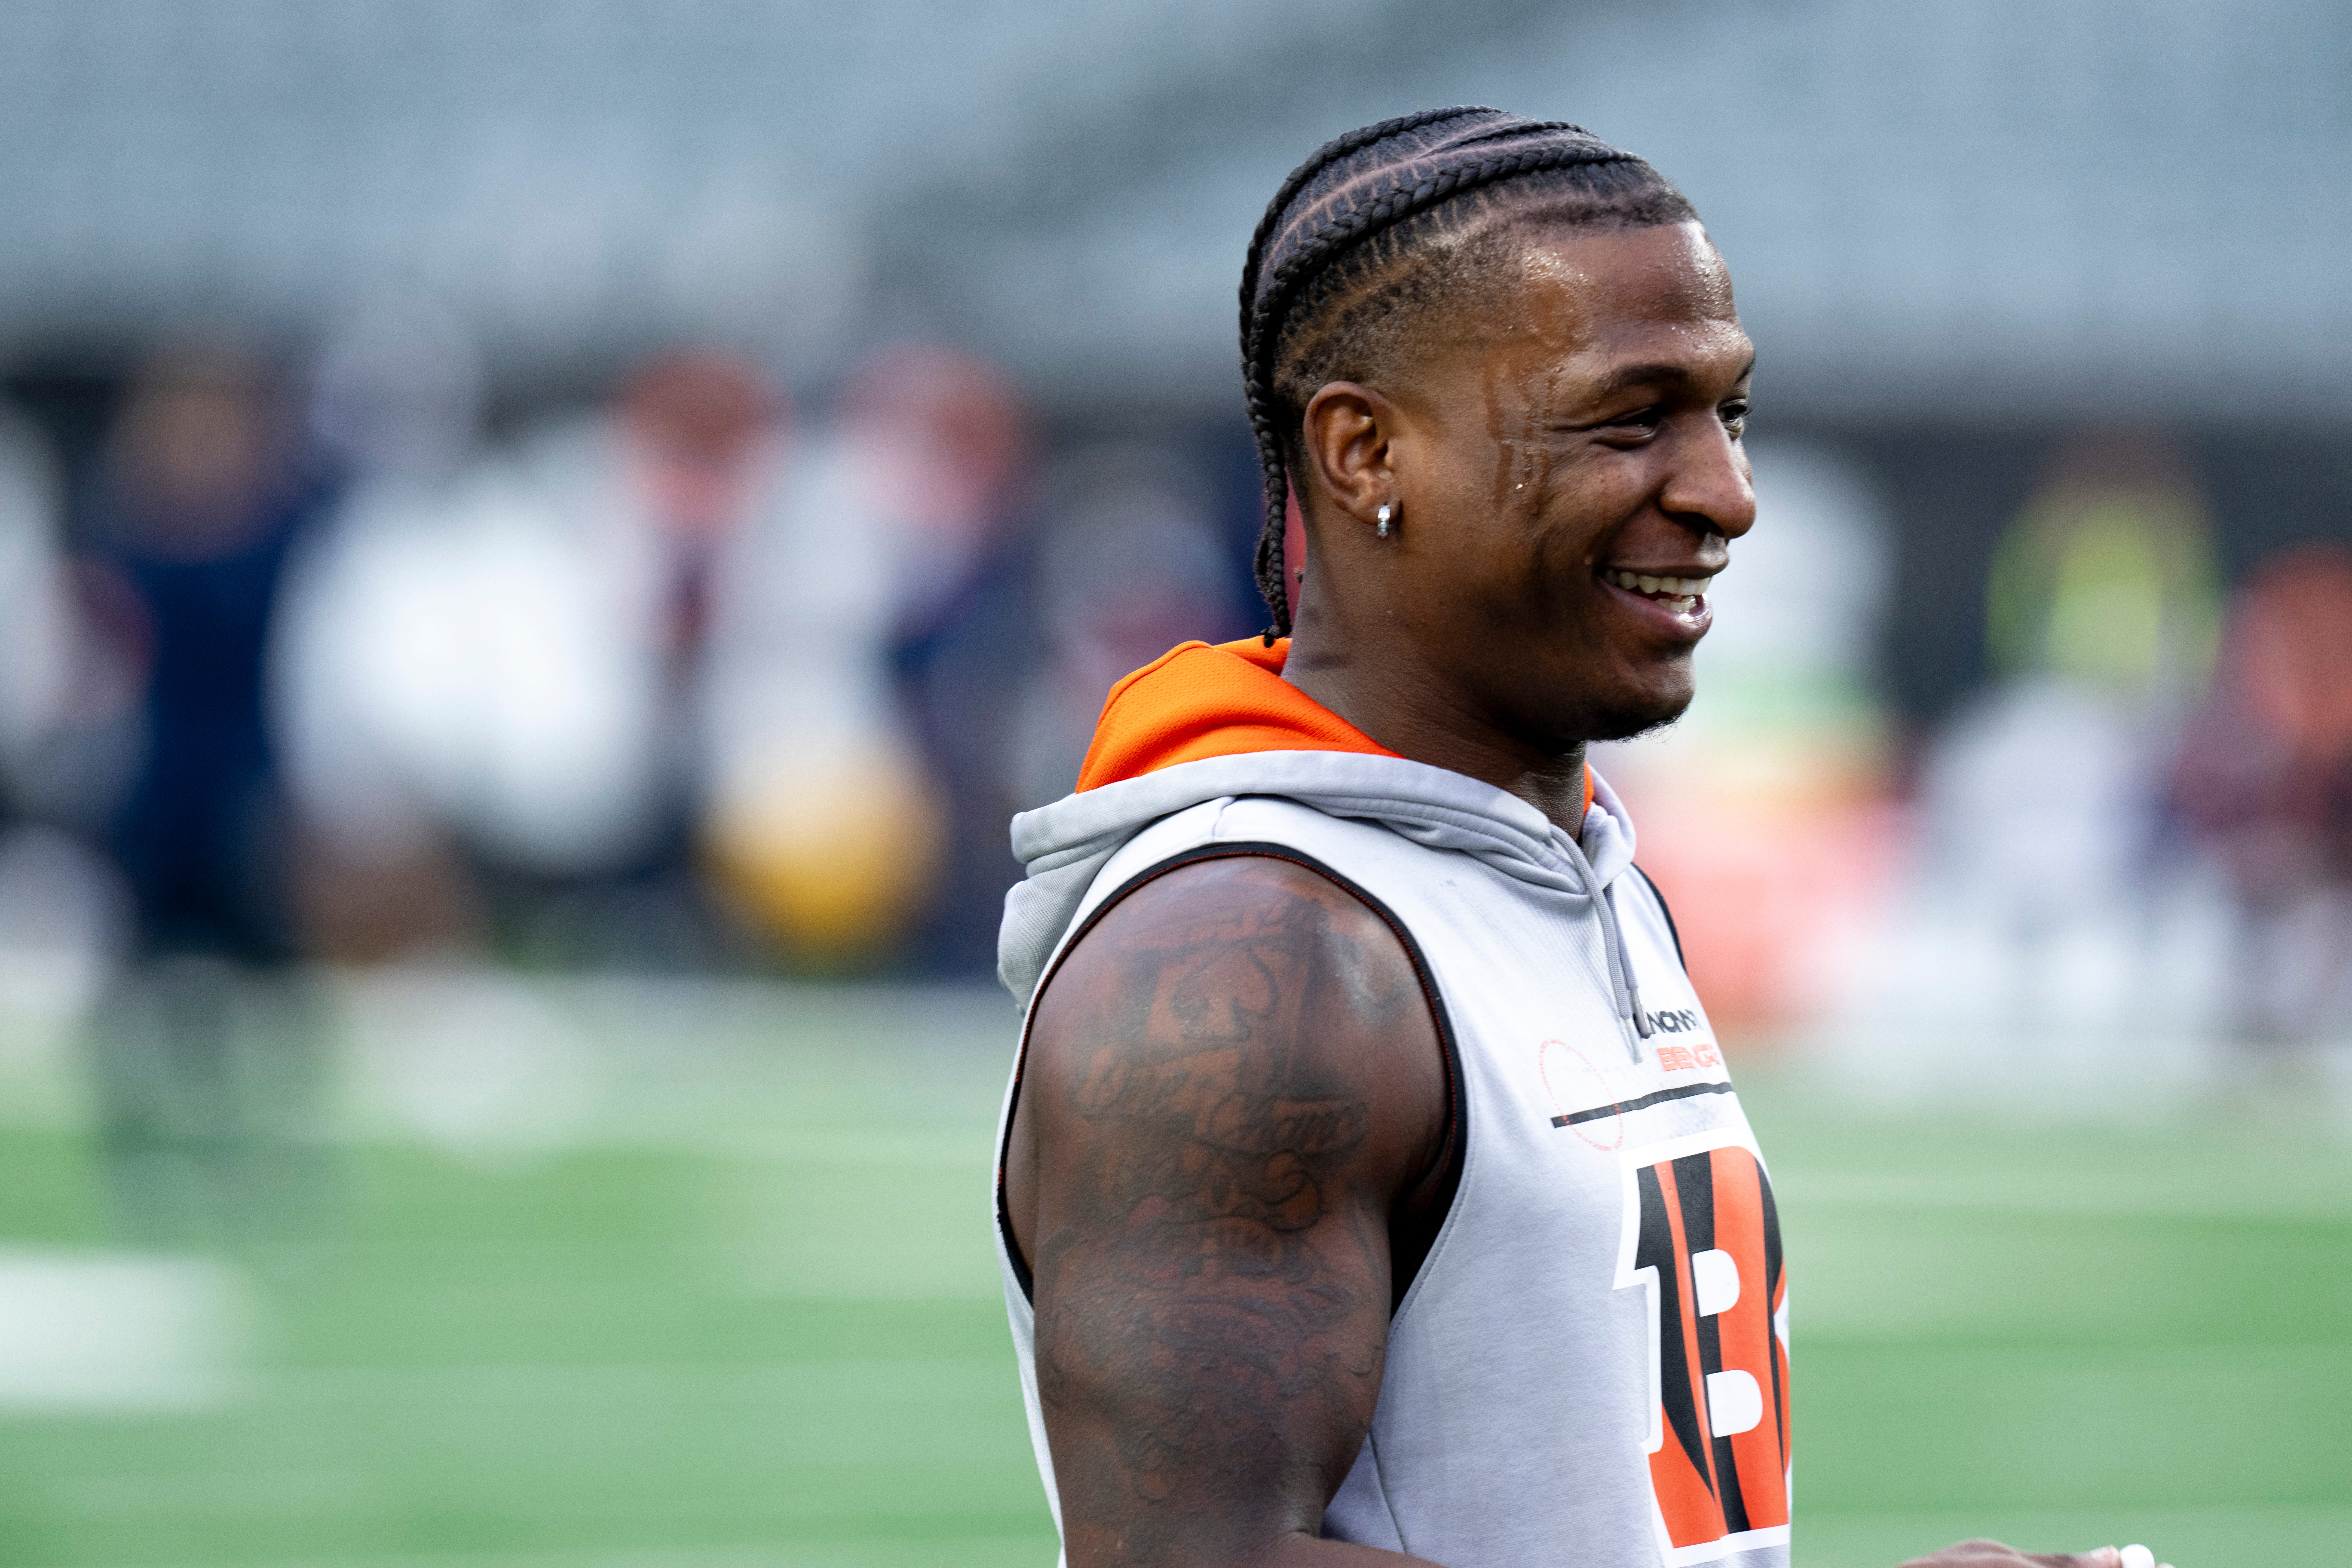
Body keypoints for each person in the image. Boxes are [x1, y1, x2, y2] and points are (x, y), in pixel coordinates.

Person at [990, 109, 2161, 1568]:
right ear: (1364, 451)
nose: (1726, 496)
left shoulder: (1565, 867)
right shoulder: (1266, 956)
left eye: (1728, 414)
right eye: (1629, 418)